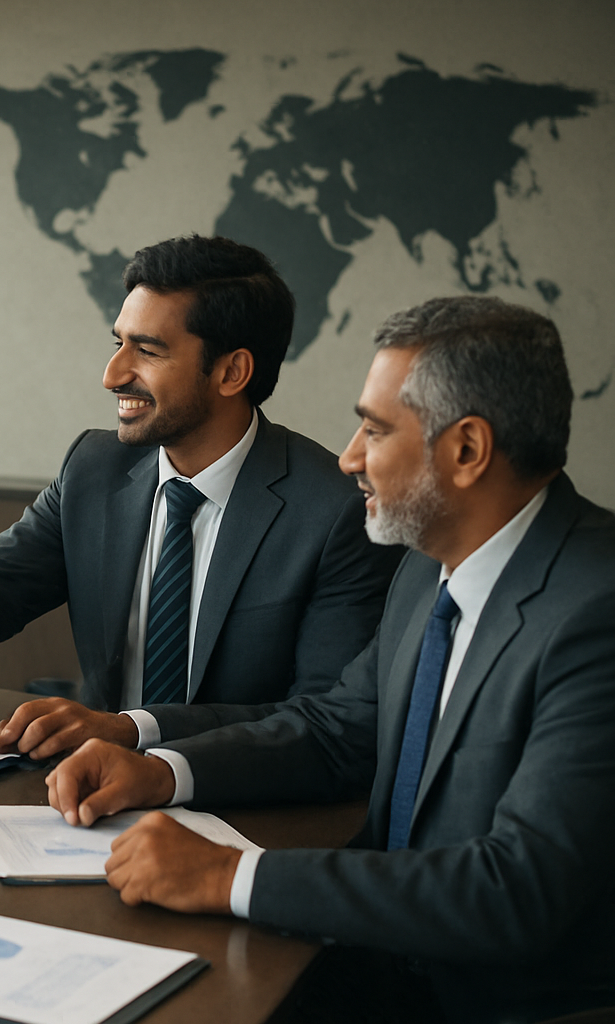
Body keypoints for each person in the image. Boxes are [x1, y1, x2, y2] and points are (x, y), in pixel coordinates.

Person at [47, 296, 615, 1022]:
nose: (348, 457)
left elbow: (515, 891)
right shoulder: (427, 564)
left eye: (375, 430)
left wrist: (233, 877)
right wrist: (159, 769)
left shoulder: (597, 613)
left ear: (467, 451)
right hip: (373, 965)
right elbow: (337, 728)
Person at [0, 236, 399, 759]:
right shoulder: (97, 467)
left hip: (245, 809)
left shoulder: (335, 511)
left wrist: (134, 731)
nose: (113, 373)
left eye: (147, 351)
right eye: (117, 342)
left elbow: (319, 720)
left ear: (232, 372)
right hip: (90, 793)